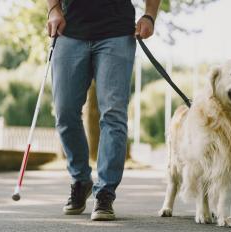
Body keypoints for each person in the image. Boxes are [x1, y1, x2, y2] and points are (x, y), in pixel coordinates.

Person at [46, 0, 161, 221]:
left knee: (113, 115)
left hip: (116, 33)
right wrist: (53, 9)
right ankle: (81, 180)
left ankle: (105, 193)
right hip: (70, 31)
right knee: (65, 112)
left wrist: (150, 15)